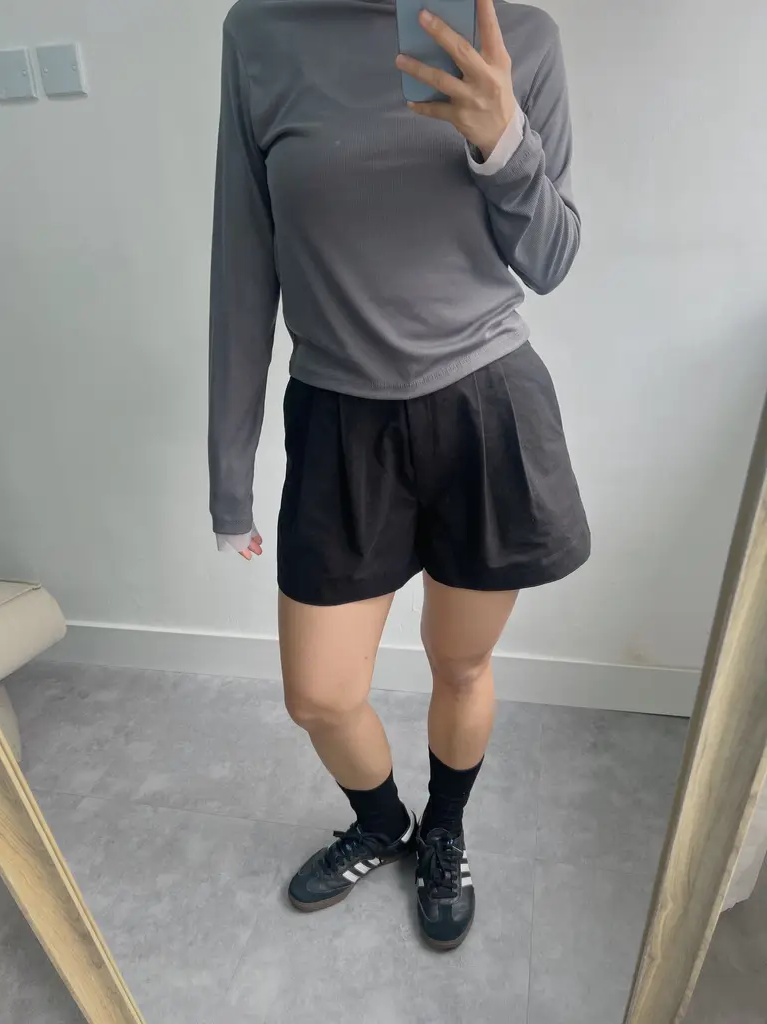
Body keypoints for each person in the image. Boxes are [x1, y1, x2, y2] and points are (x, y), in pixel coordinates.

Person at [209, 0, 589, 951]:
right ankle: (384, 824)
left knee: (460, 662)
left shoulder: (520, 36)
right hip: (338, 417)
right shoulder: (260, 33)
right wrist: (229, 470)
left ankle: (444, 832)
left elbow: (551, 259)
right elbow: (243, 256)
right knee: (319, 694)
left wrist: (503, 141)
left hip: (482, 407)